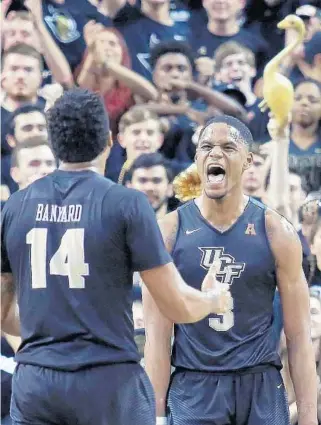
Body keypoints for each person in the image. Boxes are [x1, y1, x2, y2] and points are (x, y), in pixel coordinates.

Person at [1, 88, 231, 425]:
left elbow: (2, 313)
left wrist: (51, 327)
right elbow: (176, 305)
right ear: (109, 141)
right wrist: (214, 300)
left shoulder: (14, 208)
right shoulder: (127, 203)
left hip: (37, 382)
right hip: (107, 382)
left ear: (53, 144)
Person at [143, 115, 318, 425]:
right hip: (194, 385)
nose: (215, 153)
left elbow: (299, 334)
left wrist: (307, 417)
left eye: (227, 147)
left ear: (248, 160)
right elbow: (157, 339)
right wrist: (154, 418)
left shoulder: (277, 231)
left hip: (260, 383)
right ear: (196, 158)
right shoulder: (167, 232)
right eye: (207, 146)